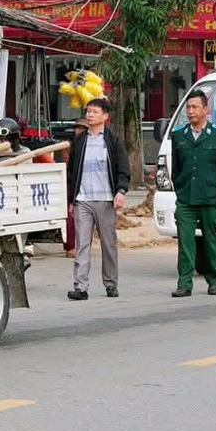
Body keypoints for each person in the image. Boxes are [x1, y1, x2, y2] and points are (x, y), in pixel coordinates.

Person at [169, 90, 216, 298]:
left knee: (211, 241)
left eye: (194, 107)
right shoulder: (179, 135)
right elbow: (176, 168)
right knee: (185, 242)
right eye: (188, 108)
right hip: (186, 198)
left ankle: (213, 280)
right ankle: (185, 283)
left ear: (205, 110)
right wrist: (179, 189)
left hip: (211, 197)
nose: (190, 111)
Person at [64, 96, 129, 300]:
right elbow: (72, 170)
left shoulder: (112, 140)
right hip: (83, 199)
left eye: (94, 111)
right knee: (82, 243)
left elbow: (123, 168)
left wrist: (121, 190)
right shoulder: (80, 140)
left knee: (108, 244)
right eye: (88, 111)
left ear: (105, 116)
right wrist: (71, 199)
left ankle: (111, 283)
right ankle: (80, 287)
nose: (90, 114)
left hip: (106, 199)